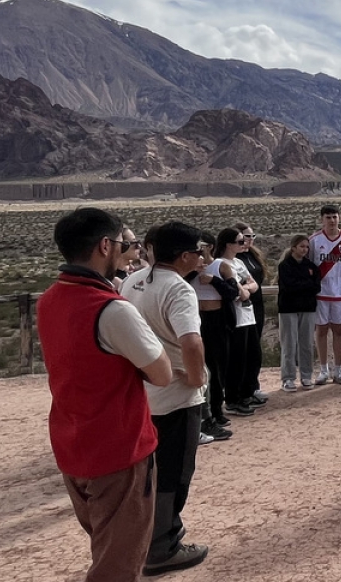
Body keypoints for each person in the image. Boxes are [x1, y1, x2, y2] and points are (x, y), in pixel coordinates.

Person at [39, 207, 172, 582]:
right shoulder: (112, 310)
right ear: (104, 245)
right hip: (120, 449)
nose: (125, 251)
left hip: (72, 443)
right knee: (119, 562)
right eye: (121, 244)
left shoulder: (50, 298)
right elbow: (161, 373)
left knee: (105, 543)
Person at [120, 221, 214, 576]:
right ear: (186, 255)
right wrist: (196, 377)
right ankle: (163, 546)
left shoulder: (132, 281)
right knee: (174, 473)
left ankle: (143, 539)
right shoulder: (179, 290)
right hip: (176, 395)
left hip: (142, 392)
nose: (201, 255)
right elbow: (191, 341)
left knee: (146, 473)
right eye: (198, 250)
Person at [191, 231, 241, 431]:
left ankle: (216, 410)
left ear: (209, 246)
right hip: (197, 320)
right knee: (198, 364)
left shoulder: (221, 267)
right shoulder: (190, 270)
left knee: (217, 366)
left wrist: (213, 280)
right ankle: (203, 412)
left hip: (217, 321)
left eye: (200, 245)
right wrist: (194, 272)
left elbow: (233, 292)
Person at [211, 228, 259, 416]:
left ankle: (245, 393)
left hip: (248, 314)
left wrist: (245, 288)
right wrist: (245, 289)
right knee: (236, 360)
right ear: (228, 244)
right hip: (234, 317)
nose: (244, 243)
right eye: (240, 241)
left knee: (250, 356)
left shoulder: (239, 262)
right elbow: (240, 291)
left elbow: (252, 286)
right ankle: (232, 399)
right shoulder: (221, 264)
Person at [310, 205, 341, 383]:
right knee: (321, 330)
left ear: (339, 218)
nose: (331, 220)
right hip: (321, 293)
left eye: (334, 217)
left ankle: (339, 369)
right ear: (322, 219)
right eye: (328, 217)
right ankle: (323, 369)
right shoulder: (314, 240)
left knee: (338, 330)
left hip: (340, 293)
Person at [232, 223, 269, 409]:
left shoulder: (252, 256)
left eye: (252, 236)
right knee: (243, 350)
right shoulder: (234, 259)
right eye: (246, 237)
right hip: (241, 307)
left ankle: (252, 386)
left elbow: (257, 281)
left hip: (257, 305)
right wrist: (248, 287)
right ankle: (240, 390)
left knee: (255, 348)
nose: (249, 240)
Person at [277, 235, 321, 391]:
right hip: (288, 309)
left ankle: (306, 375)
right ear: (293, 247)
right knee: (289, 344)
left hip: (308, 308)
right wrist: (305, 285)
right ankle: (288, 378)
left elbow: (316, 286)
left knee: (306, 343)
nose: (305, 249)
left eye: (306, 247)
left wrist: (301, 285)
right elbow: (288, 286)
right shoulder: (285, 266)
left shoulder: (311, 266)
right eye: (301, 246)